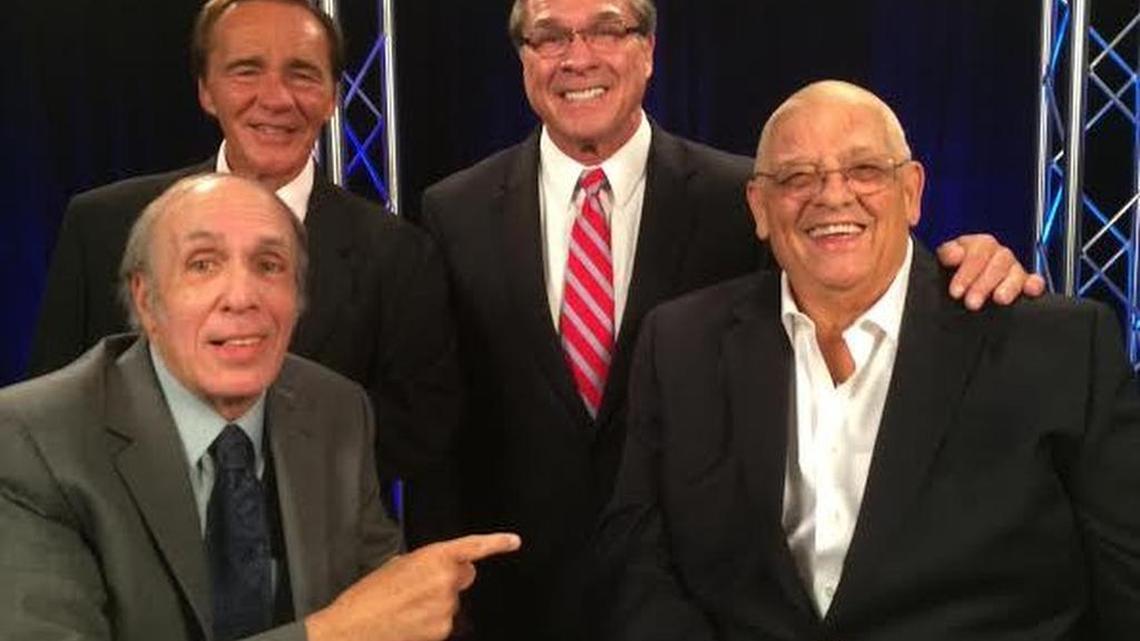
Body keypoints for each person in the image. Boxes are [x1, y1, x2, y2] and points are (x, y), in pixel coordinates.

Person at [420, 1, 1045, 639]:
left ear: (649, 49)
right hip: (518, 602)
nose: (578, 57)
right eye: (549, 36)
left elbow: (859, 269)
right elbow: (441, 428)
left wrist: (971, 259)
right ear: (523, 57)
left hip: (704, 603)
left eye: (607, 29)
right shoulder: (453, 211)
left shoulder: (750, 194)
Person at [597, 80, 1140, 640]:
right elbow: (640, 558)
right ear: (759, 207)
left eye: (864, 170)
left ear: (912, 191)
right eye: (797, 177)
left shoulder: (1055, 345)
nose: (832, 196)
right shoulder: (680, 343)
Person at [0, 174, 519, 641]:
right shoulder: (34, 440)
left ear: (297, 299)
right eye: (203, 265)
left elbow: (381, 601)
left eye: (270, 266)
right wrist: (329, 634)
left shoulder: (335, 408)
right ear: (145, 299)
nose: (242, 296)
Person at [28, 0, 459, 546]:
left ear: (331, 97)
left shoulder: (399, 252)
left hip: (319, 567)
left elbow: (420, 426)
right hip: (132, 565)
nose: (275, 98)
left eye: (302, 74)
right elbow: (57, 412)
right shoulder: (105, 227)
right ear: (207, 90)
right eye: (246, 70)